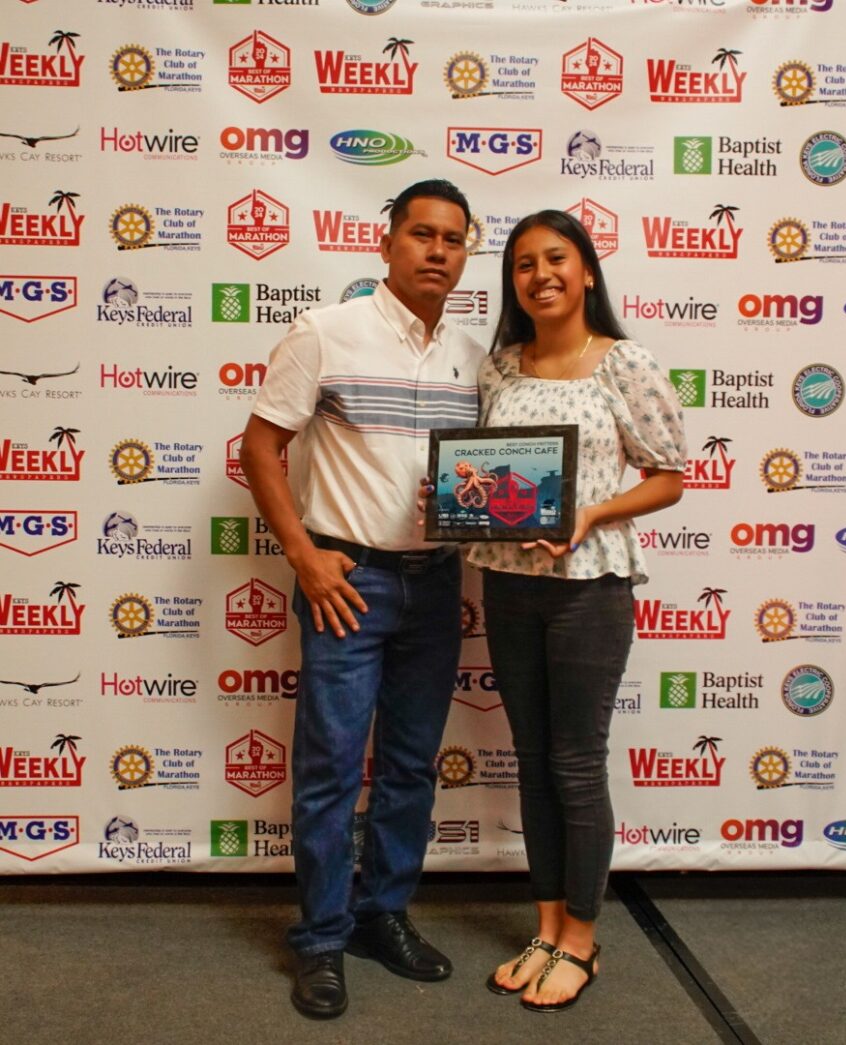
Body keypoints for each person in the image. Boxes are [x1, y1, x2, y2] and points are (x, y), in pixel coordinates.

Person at [423, 210, 686, 1012]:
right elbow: (484, 474)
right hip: (507, 583)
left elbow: (668, 475)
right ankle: (543, 928)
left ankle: (581, 937)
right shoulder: (501, 369)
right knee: (533, 759)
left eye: (556, 258)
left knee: (575, 762)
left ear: (587, 272)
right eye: (524, 263)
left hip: (590, 590)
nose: (540, 274)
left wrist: (589, 512)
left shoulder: (624, 362)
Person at [239, 180, 485, 1020]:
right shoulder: (325, 331)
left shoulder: (472, 353)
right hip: (348, 582)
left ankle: (381, 915)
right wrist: (305, 557)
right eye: (422, 234)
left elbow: (483, 476)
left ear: (465, 253)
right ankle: (319, 937)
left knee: (412, 765)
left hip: (436, 579)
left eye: (453, 239)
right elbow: (262, 446)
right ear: (386, 244)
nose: (437, 250)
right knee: (332, 768)